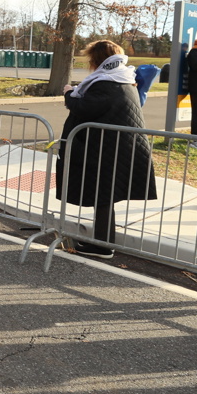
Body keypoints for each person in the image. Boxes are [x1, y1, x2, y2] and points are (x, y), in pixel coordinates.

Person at [55, 40, 158, 259]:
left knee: (102, 195)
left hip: (108, 149)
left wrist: (68, 94)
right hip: (118, 146)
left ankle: (103, 246)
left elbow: (84, 108)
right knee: (104, 196)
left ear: (97, 60)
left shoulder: (106, 83)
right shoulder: (124, 78)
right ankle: (102, 241)